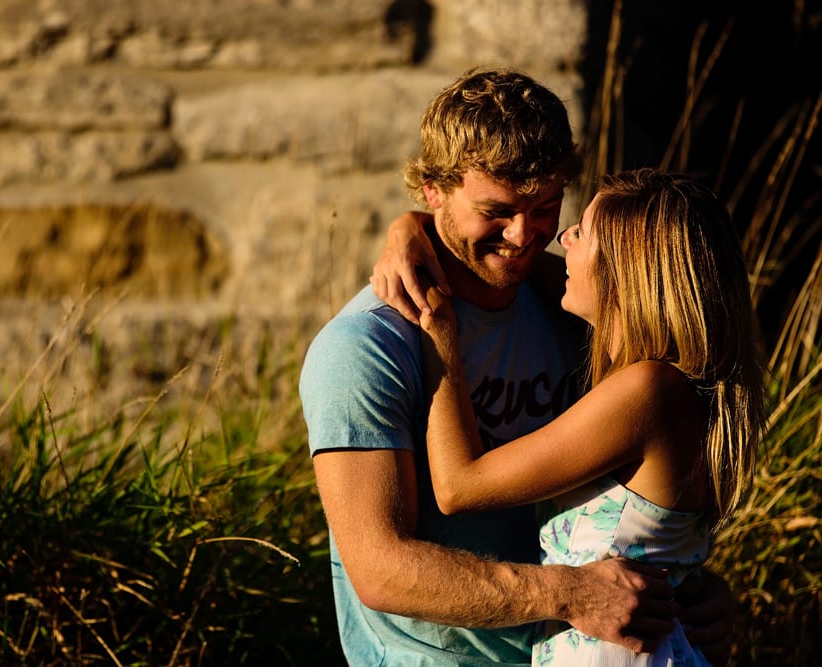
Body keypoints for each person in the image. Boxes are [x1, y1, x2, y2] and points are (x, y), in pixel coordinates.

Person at [300, 68, 734, 666]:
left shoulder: (571, 309)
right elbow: (379, 569)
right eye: (496, 210)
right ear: (433, 190)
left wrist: (688, 585)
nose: (524, 236)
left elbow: (645, 487)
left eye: (546, 206)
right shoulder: (364, 348)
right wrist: (572, 594)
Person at [397, 168, 764, 665]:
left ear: (624, 270)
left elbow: (460, 486)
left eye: (582, 231)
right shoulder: (666, 383)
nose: (563, 238)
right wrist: (413, 226)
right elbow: (509, 267)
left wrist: (441, 337)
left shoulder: (647, 389)